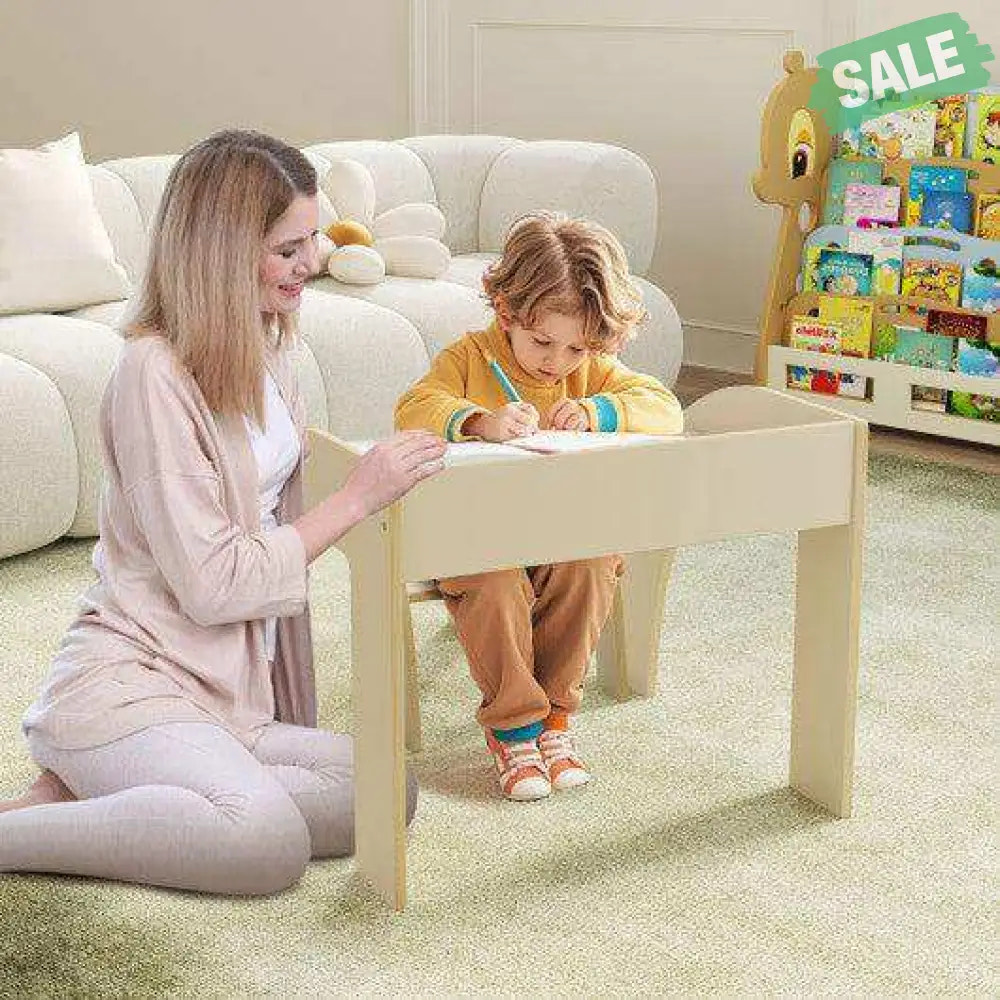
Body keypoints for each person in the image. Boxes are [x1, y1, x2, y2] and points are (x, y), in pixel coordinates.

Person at [0, 130, 446, 895]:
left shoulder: (267, 350)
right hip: (132, 685)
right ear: (222, 253)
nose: (312, 262)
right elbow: (212, 583)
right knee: (263, 839)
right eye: (288, 249)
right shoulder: (152, 375)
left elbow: (271, 512)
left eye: (312, 240)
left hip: (227, 696)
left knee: (386, 790)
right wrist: (356, 498)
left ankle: (124, 794)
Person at [394, 212, 683, 802]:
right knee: (495, 582)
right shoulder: (470, 357)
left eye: (577, 347)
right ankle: (513, 726)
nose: (557, 361)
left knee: (593, 563)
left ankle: (554, 716)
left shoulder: (589, 370)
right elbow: (414, 408)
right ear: (506, 313)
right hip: (473, 536)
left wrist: (600, 411)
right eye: (543, 342)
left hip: (557, 531)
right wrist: (480, 421)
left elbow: (663, 408)